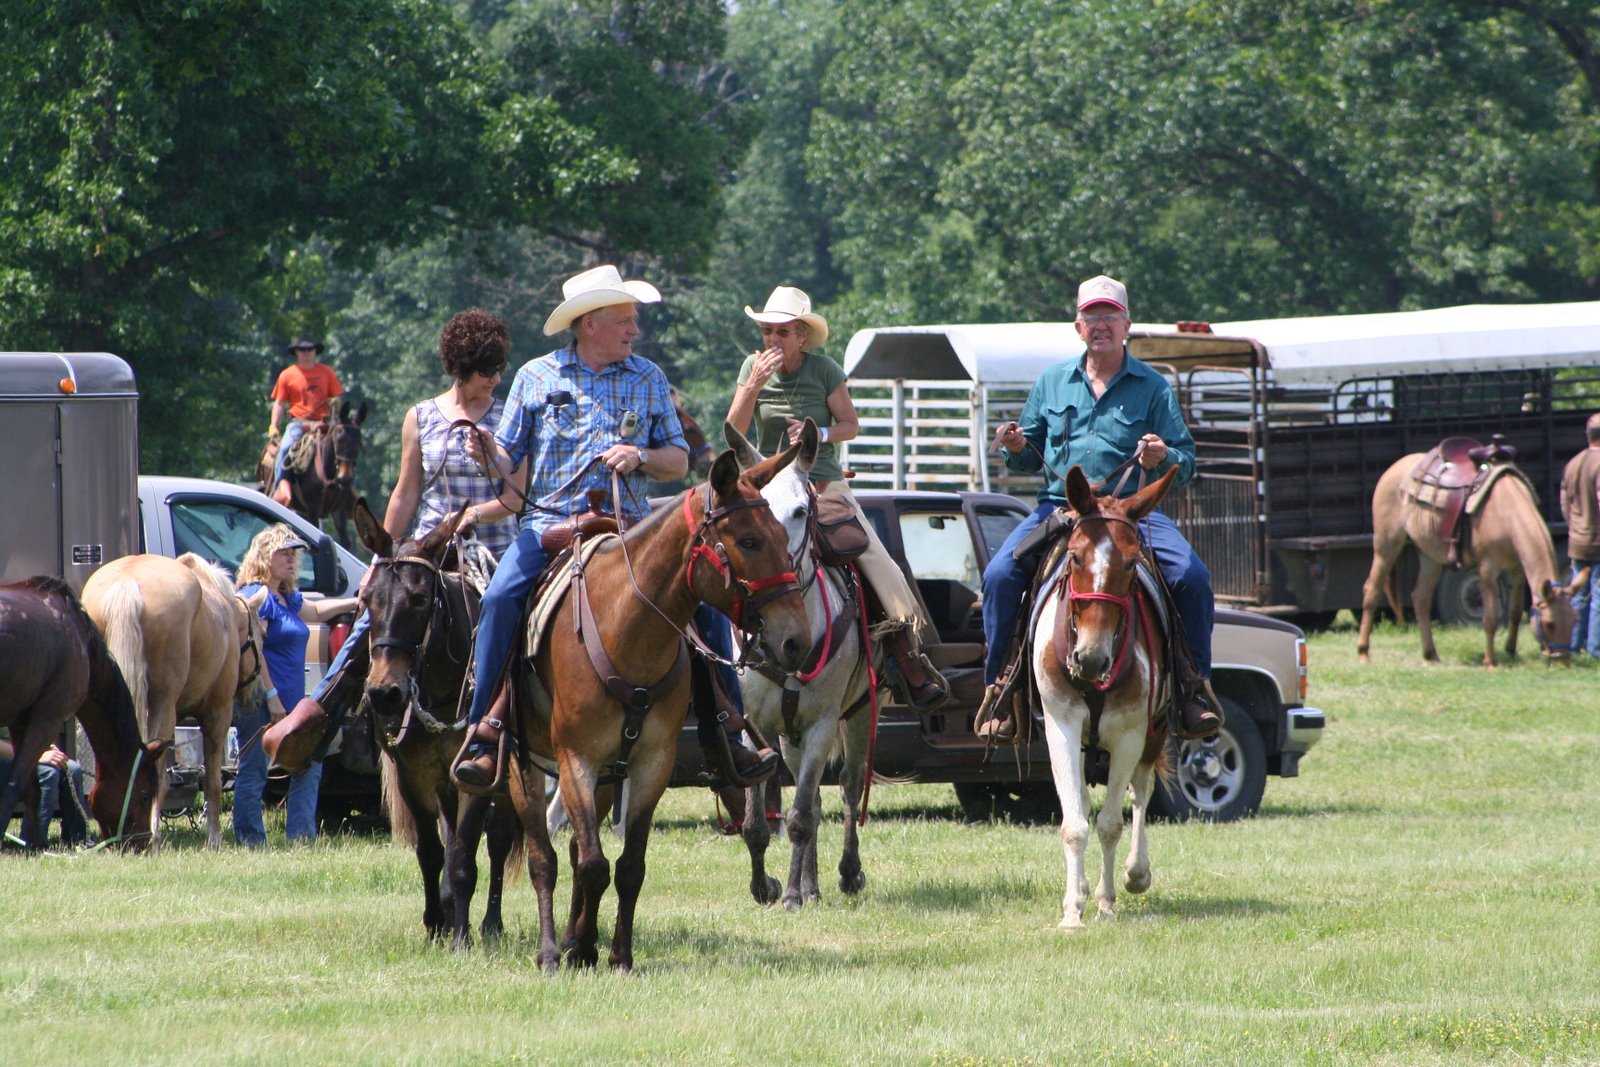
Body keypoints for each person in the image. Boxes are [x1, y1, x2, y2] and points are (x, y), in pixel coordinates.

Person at [450, 265, 779, 793]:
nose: (634, 330)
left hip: (630, 531)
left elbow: (678, 462)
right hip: (549, 527)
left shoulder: (648, 377)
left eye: (632, 321)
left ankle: (730, 726)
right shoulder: (536, 376)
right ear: (590, 324)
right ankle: (484, 731)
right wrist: (487, 452)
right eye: (625, 321)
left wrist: (640, 454)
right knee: (500, 600)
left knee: (706, 601)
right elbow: (509, 459)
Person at [262, 310, 526, 770]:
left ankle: (516, 728)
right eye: (489, 370)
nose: (497, 378)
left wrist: (473, 510)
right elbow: (405, 492)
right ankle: (320, 712)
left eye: (500, 368)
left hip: (493, 546)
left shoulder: (508, 418)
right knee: (375, 612)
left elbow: (514, 497)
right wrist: (380, 560)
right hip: (425, 551)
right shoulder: (420, 417)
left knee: (520, 623)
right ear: (462, 369)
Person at [976, 274, 1222, 743]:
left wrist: (1162, 456)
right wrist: (1013, 444)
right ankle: (1001, 690)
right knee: (1000, 577)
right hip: (1060, 509)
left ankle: (1194, 688)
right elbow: (1029, 457)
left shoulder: (1154, 387)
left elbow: (1186, 462)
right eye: (1091, 317)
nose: (1100, 325)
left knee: (1192, 577)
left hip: (1130, 514)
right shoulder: (1051, 382)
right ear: (1078, 326)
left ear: (1127, 324)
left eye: (1109, 316)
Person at [727, 285, 949, 711]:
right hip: (769, 491)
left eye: (782, 333)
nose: (773, 341)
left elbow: (850, 424)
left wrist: (820, 433)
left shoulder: (825, 369)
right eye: (767, 332)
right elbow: (733, 430)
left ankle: (907, 661)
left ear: (801, 336)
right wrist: (752, 385)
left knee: (880, 565)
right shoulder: (751, 368)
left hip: (826, 484)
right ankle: (722, 667)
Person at [233, 525, 359, 845]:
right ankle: (251, 840)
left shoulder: (287, 597)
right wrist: (272, 696)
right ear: (265, 557)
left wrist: (355, 603)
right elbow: (255, 653)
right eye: (284, 553)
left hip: (291, 700)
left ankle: (301, 838)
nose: (291, 559)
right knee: (255, 769)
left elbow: (315, 610)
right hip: (262, 699)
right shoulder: (254, 597)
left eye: (294, 554)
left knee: (308, 763)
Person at [267, 335, 343, 508]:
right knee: (285, 449)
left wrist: (335, 402)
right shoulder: (287, 375)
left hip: (324, 424)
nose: (306, 353)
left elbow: (337, 397)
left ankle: (347, 490)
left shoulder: (327, 372)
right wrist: (273, 426)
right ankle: (281, 489)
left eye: (310, 349)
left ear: (316, 351)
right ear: (296, 352)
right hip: (299, 424)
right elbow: (279, 403)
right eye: (302, 350)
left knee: (345, 448)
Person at [0, 729, 89, 848]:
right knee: (48, 773)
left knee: (73, 770)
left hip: (27, 756)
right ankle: (32, 843)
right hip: (7, 761)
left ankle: (78, 840)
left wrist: (46, 747)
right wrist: (36, 755)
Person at [1559, 412, 1600, 656]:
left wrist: (1574, 528)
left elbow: (1565, 504)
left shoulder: (1572, 464)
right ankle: (1596, 651)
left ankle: (1573, 647)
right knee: (1598, 599)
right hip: (1598, 542)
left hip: (1578, 541)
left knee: (1578, 596)